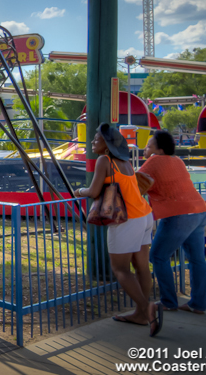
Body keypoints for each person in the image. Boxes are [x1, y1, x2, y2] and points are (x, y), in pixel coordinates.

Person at [76, 123, 162, 337]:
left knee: (120, 269)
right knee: (141, 267)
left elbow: (94, 190)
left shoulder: (103, 161)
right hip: (144, 215)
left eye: (96, 139)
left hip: (126, 220)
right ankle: (142, 314)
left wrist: (80, 190)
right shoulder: (125, 161)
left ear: (107, 145)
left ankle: (146, 309)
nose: (93, 142)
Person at [141, 130, 206, 315]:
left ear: (159, 150)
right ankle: (198, 304)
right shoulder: (177, 161)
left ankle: (169, 301)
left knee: (157, 256)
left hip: (178, 214)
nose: (145, 149)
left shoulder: (154, 161)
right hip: (199, 210)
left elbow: (136, 183)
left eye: (149, 146)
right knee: (197, 259)